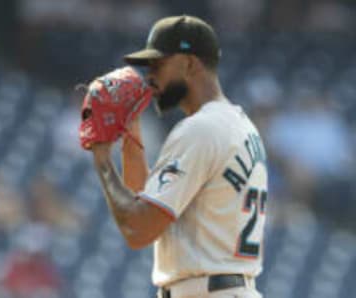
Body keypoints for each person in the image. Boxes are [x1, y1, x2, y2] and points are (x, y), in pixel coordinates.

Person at [89, 15, 268, 298]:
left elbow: (138, 229)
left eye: (158, 64)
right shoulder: (238, 125)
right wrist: (131, 132)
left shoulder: (200, 130)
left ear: (189, 63)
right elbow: (145, 203)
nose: (150, 76)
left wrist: (101, 157)